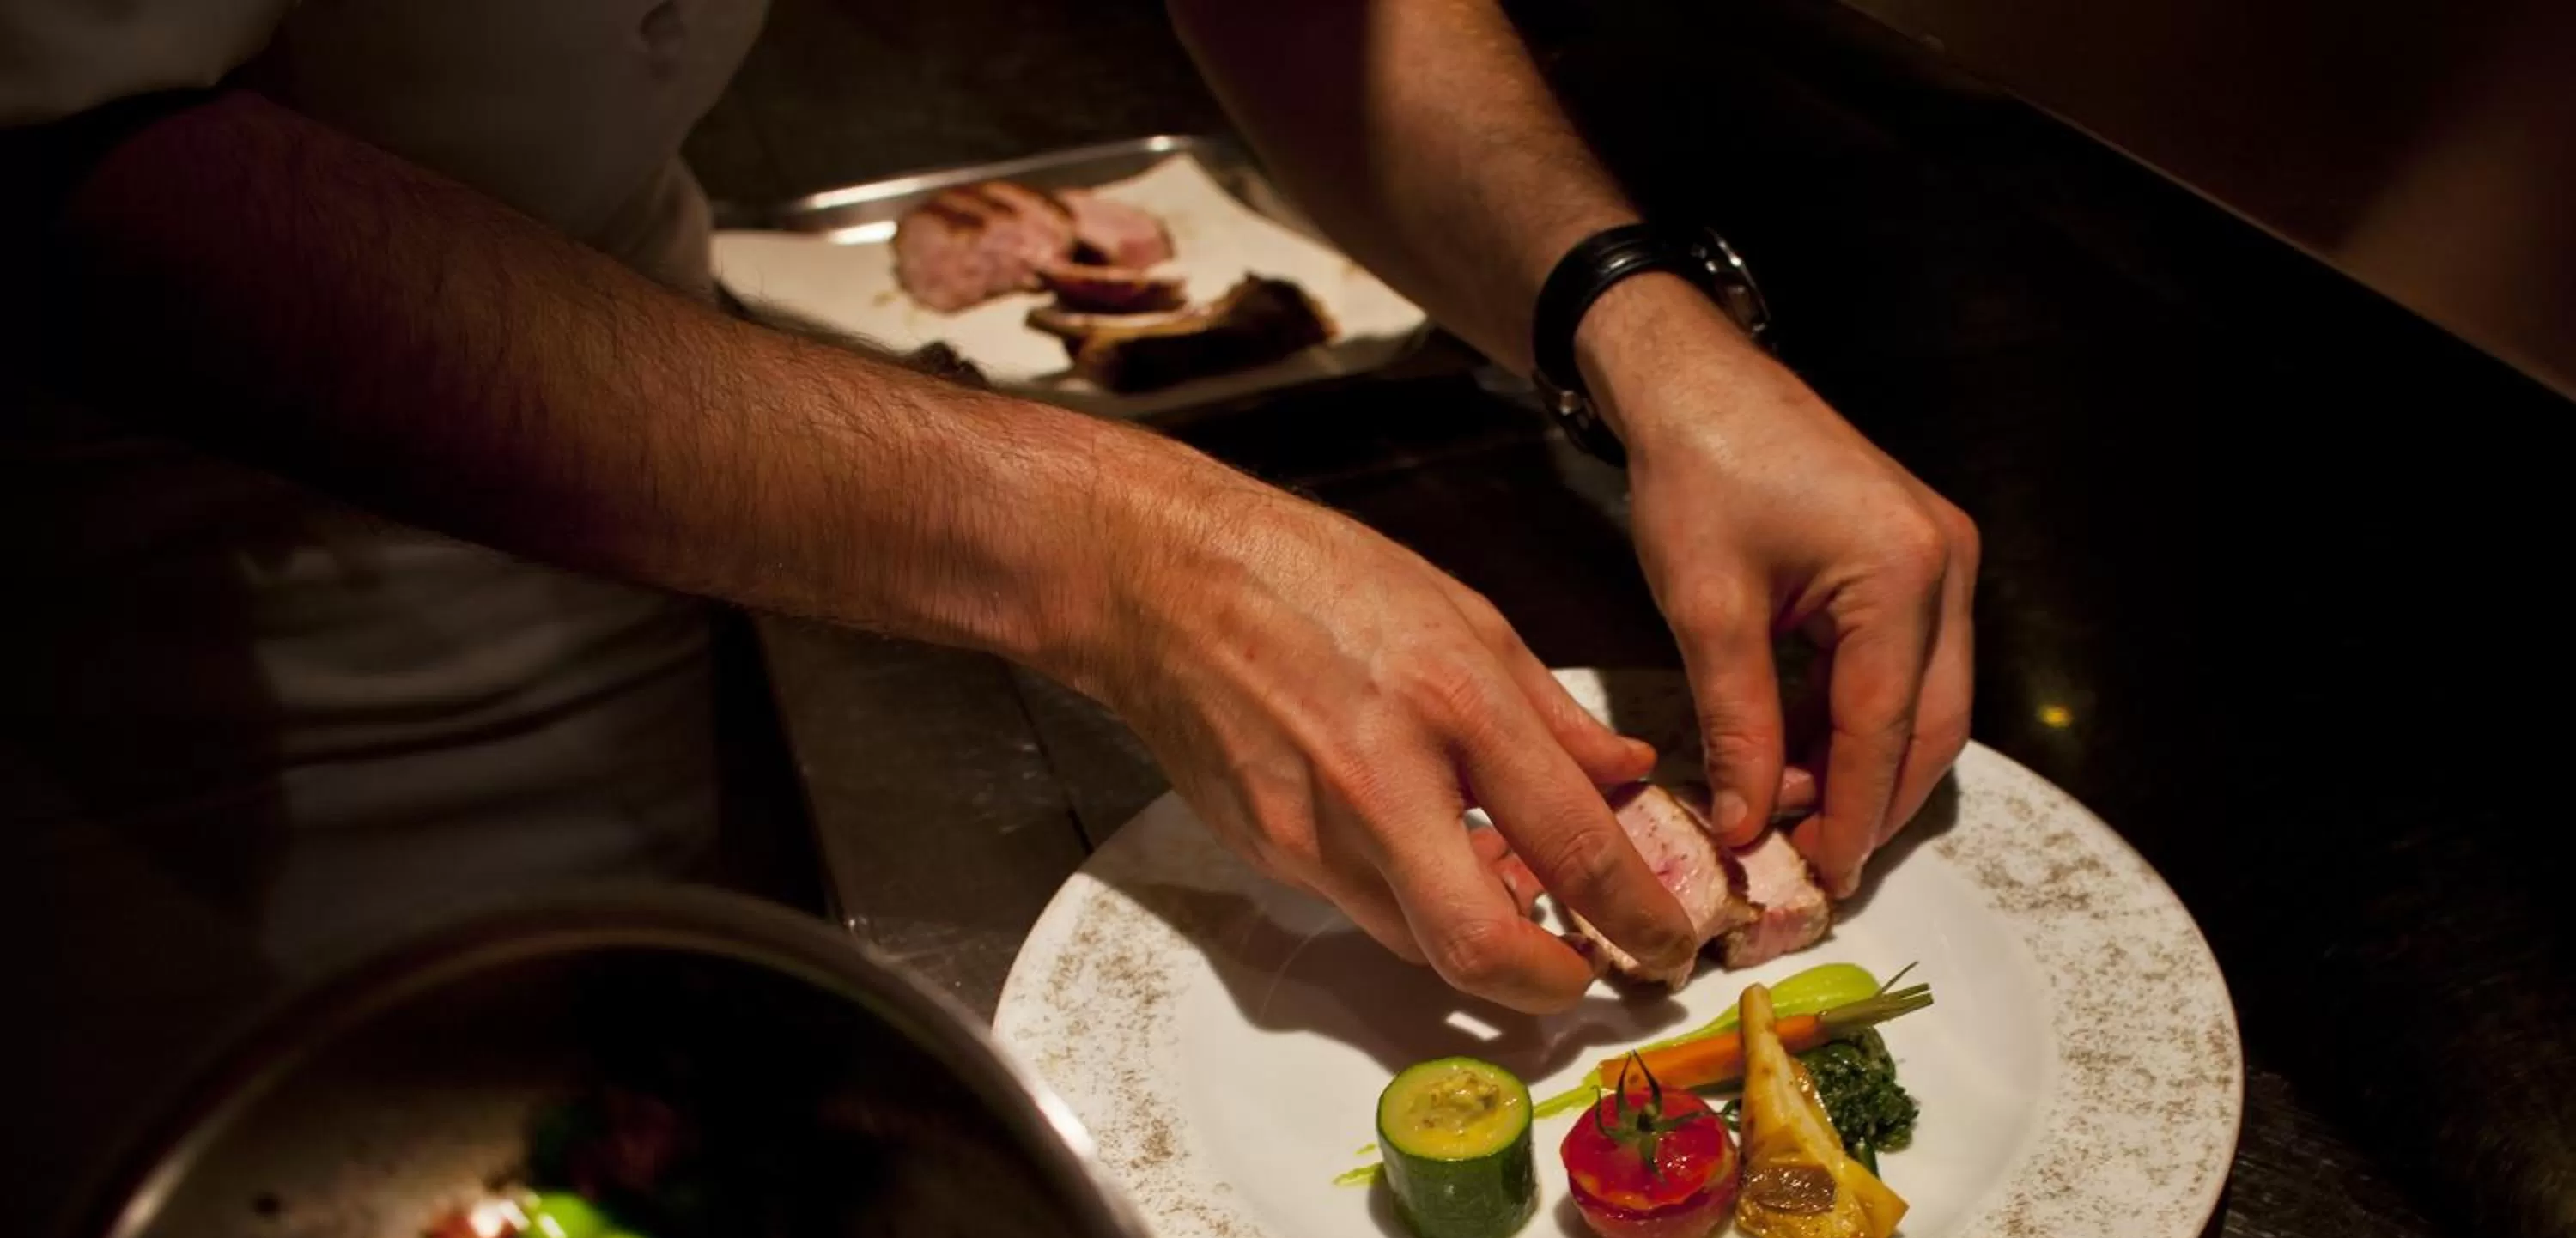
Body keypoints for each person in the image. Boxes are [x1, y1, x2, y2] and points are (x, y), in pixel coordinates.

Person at [1, 0, 1972, 1092]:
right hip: (162, 614)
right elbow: (65, 173)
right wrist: (1113, 546)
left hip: (657, 407)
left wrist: (1630, 316)